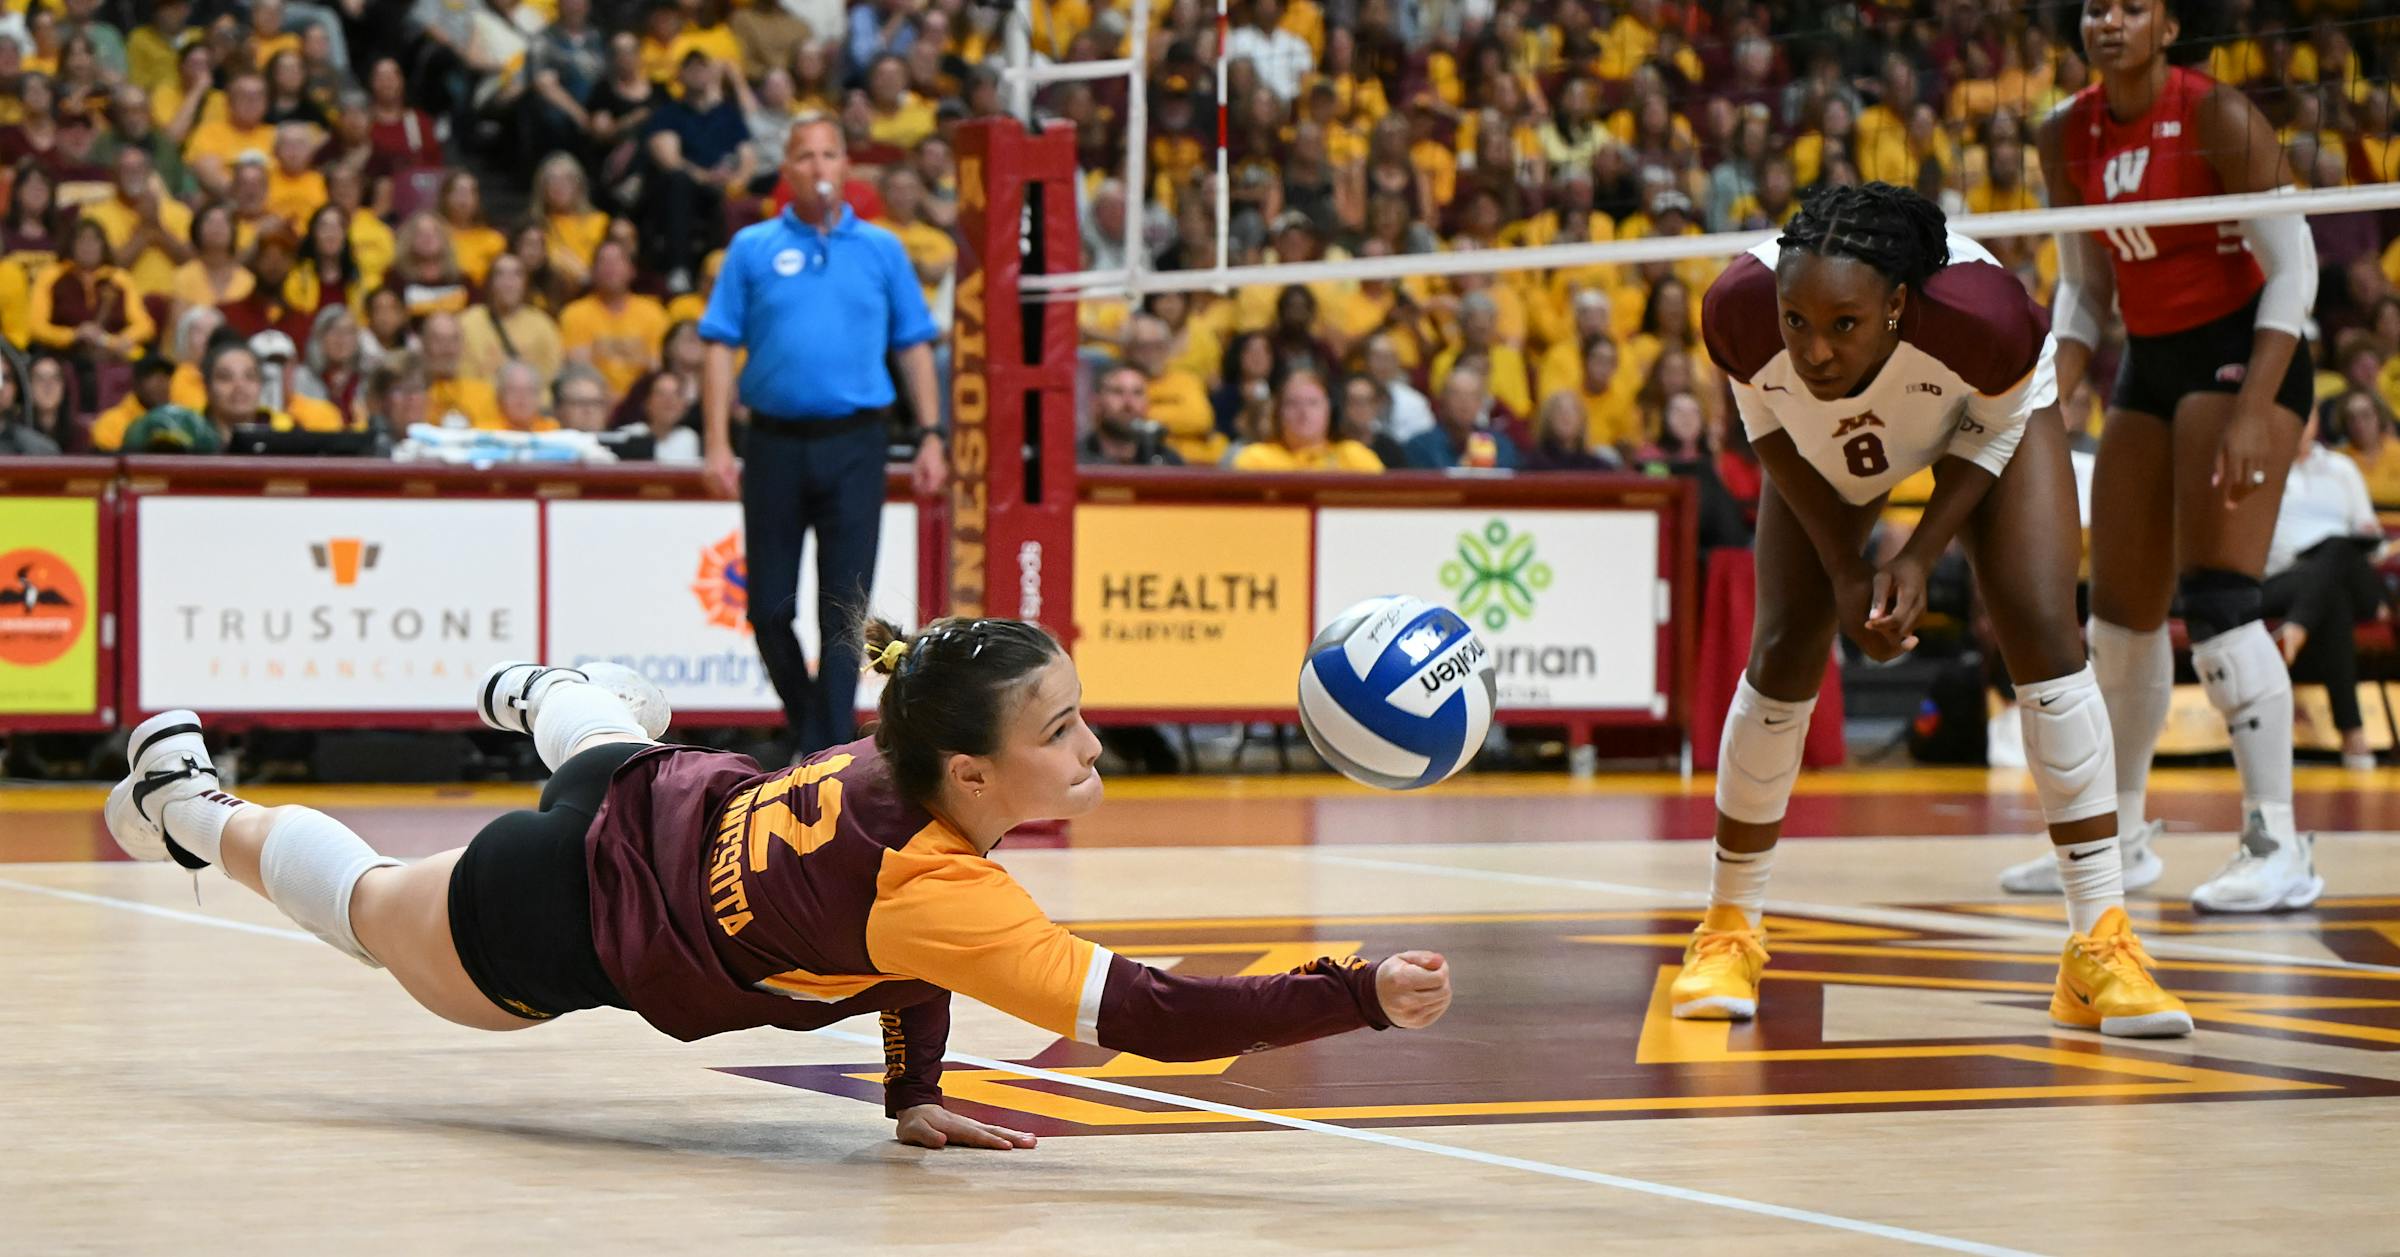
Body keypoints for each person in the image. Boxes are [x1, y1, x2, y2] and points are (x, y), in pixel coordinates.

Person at [98, 618, 1453, 1149]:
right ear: (971, 777)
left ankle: (546, 692)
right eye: (1059, 731)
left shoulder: (899, 744)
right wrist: (1357, 996)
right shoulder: (947, 880)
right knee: (377, 917)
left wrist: (915, 1090)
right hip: (565, 907)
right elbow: (1153, 1012)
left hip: (668, 797)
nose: (1094, 744)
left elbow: (905, 932)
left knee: (606, 745)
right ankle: (183, 801)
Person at [1687, 182, 2189, 1039]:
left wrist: (1919, 553)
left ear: (1895, 305)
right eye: (1795, 321)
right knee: (1781, 648)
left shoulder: (1985, 320)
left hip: (1979, 417)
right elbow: (1766, 419)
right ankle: (1728, 930)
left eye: (1841, 324)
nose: (1812, 349)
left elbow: (1996, 428)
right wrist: (1847, 569)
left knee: (2043, 631)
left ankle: (2100, 944)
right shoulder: (1736, 309)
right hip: (1821, 443)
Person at [2004, 0, 2323, 911]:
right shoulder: (2066, 132)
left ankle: (2277, 840)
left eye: (2131, 6)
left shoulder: (2217, 113)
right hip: (2148, 356)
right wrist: (2051, 383)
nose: (2108, 20)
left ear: (2170, 26)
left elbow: (2295, 263)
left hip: (2248, 346)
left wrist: (2259, 405)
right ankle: (2121, 836)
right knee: (2117, 615)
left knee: (2219, 596)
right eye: (2095, 7)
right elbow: (2084, 284)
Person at [700, 118, 945, 762]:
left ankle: (826, 746)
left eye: (829, 153)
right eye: (804, 156)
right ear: (788, 168)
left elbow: (914, 345)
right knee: (767, 607)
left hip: (857, 443)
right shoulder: (752, 248)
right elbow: (720, 346)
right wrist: (717, 442)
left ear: (846, 165)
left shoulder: (882, 250)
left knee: (845, 606)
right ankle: (812, 723)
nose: (818, 166)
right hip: (774, 442)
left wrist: (931, 434)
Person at [2265, 406, 2390, 770]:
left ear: (2317, 421)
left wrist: (2367, 539)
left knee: (2338, 548)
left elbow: (2373, 540)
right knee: (2330, 589)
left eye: (2308, 415)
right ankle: (2352, 735)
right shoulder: (2262, 467)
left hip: (2347, 572)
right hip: (2284, 578)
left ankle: (2296, 628)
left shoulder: (2342, 469)